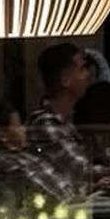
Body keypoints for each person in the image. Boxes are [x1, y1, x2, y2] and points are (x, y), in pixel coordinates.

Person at [26, 42, 94, 200]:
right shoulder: (45, 124)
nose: (87, 74)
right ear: (65, 79)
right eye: (82, 69)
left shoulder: (64, 122)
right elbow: (81, 169)